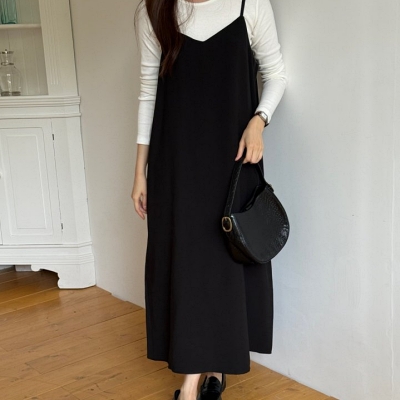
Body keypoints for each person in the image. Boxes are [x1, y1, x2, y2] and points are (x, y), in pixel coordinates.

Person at [131, 0, 287, 398]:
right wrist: (139, 171)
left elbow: (276, 75)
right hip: (176, 165)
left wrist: (259, 121)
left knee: (225, 262)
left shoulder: (249, 5)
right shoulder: (154, 11)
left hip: (233, 162)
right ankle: (194, 381)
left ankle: (210, 371)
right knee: (187, 265)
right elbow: (149, 91)